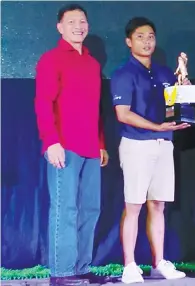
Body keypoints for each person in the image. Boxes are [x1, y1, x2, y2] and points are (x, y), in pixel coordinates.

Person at [34, 4, 109, 285]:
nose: (79, 26)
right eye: (72, 21)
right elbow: (43, 103)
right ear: (60, 27)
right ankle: (61, 273)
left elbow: (95, 109)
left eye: (83, 21)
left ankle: (80, 267)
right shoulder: (51, 59)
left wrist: (101, 143)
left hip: (91, 148)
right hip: (63, 146)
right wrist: (50, 141)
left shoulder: (92, 64)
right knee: (65, 209)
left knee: (90, 209)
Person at [110, 16, 189, 284]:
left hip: (164, 144)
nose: (147, 41)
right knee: (134, 205)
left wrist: (184, 93)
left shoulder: (166, 72)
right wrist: (156, 127)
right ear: (129, 41)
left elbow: (176, 106)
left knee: (158, 204)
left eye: (151, 36)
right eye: (141, 37)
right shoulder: (123, 74)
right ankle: (129, 265)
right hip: (136, 144)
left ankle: (159, 263)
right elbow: (123, 114)